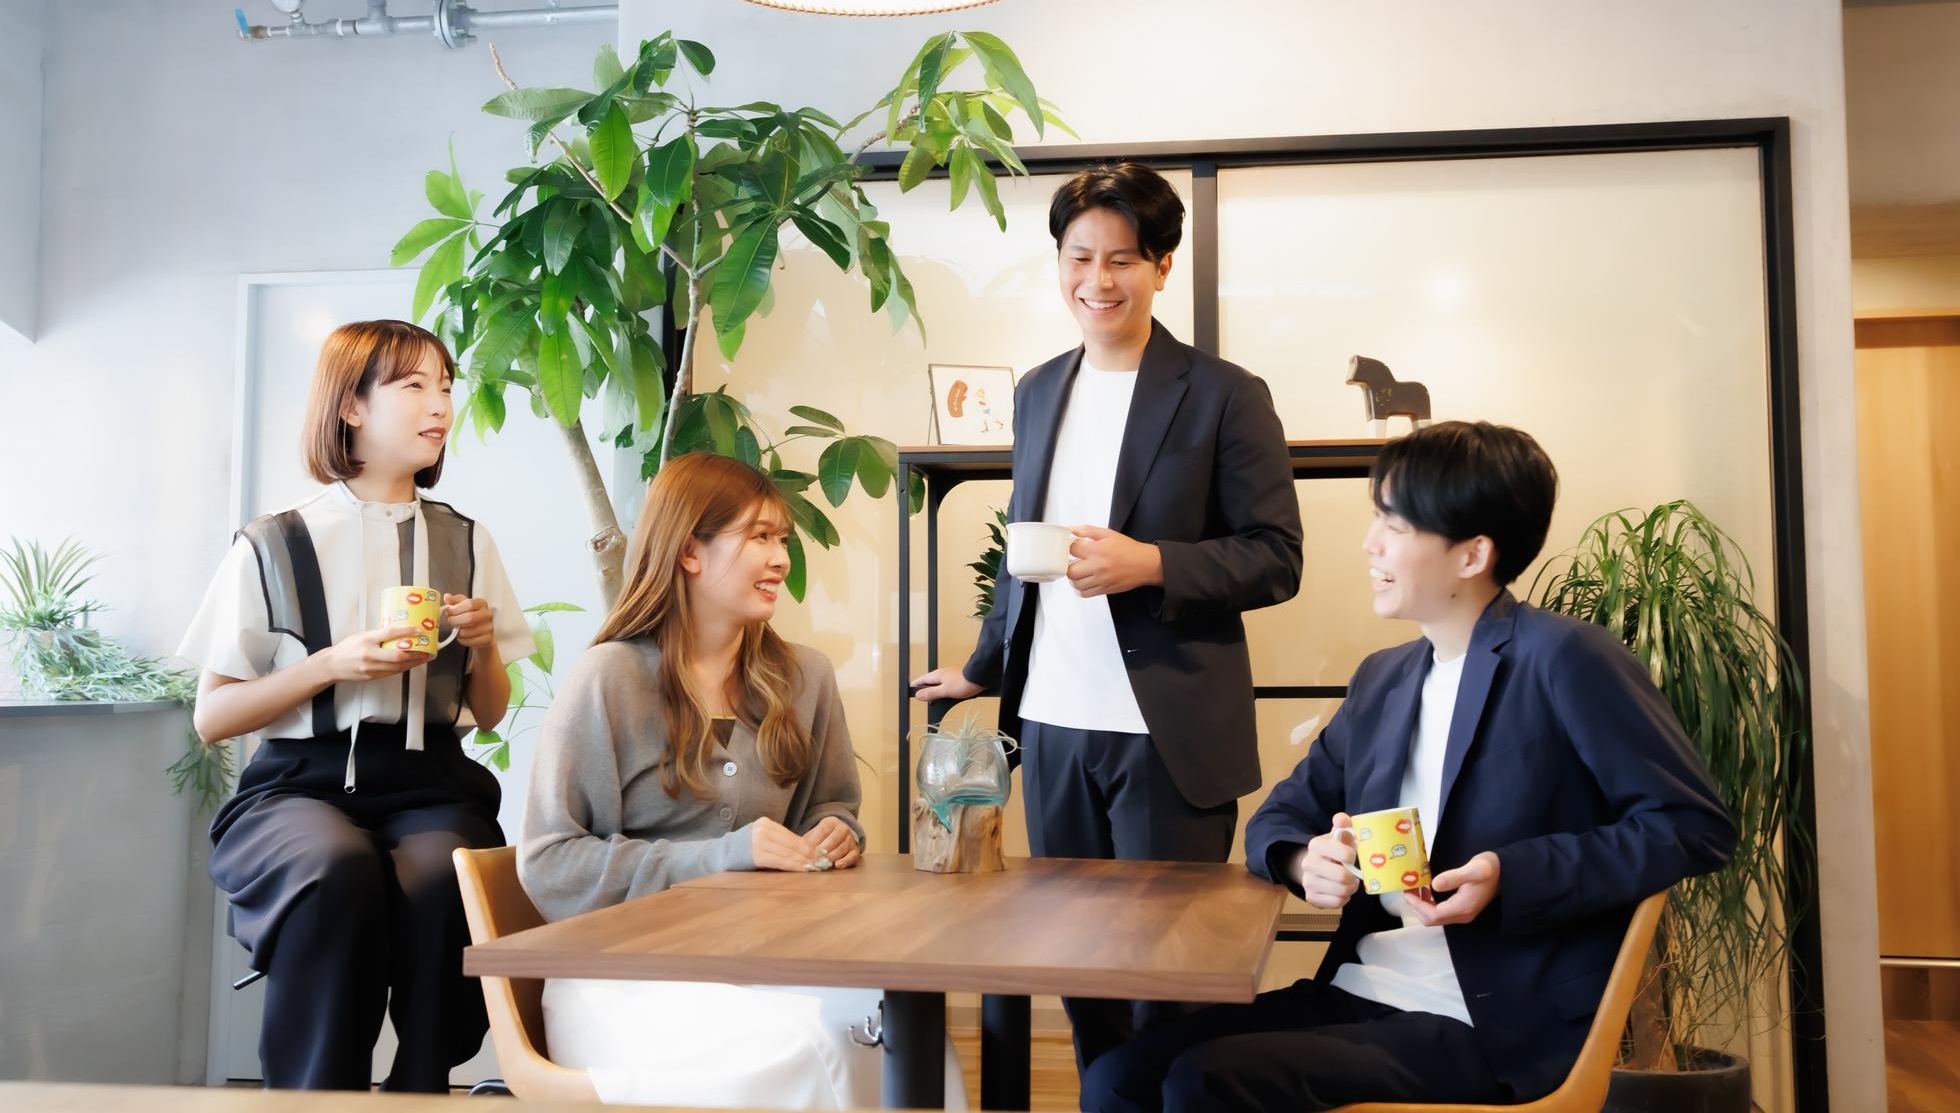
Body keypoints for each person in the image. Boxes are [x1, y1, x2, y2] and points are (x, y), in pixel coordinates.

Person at [1080, 421, 1738, 1112]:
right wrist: (1306, 860)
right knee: (1118, 1075)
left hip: (1491, 1020)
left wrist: (1509, 875)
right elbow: (1281, 814)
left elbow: (1692, 827)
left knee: (1206, 1079)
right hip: (1363, 989)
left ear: (1472, 554)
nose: (1371, 543)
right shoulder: (1384, 679)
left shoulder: (1566, 658)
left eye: (1394, 525)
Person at [911, 162, 1304, 1071]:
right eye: (1079, 257)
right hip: (1052, 724)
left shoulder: (1224, 394)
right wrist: (984, 667)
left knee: (1169, 977)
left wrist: (1153, 563)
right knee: (1076, 968)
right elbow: (1023, 548)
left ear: (1162, 265)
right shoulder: (1039, 389)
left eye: (1122, 259)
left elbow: (1277, 556)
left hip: (1165, 733)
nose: (1098, 280)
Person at [519, 451, 964, 1109]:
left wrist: (834, 832)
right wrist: (724, 855)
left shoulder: (805, 678)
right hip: (621, 976)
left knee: (904, 1035)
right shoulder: (609, 678)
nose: (781, 559)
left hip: (765, 959)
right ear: (689, 552)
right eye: (759, 537)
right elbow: (550, 862)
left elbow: (832, 806)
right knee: (805, 1052)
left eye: (782, 539)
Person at [179, 318, 533, 1091]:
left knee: (443, 875)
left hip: (431, 781)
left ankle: (420, 1087)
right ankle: (316, 1094)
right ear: (351, 407)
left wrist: (482, 646)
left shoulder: (468, 540)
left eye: (446, 387)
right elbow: (213, 719)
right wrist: (331, 665)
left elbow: (491, 713)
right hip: (295, 786)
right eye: (414, 386)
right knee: (334, 868)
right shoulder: (274, 543)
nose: (440, 405)